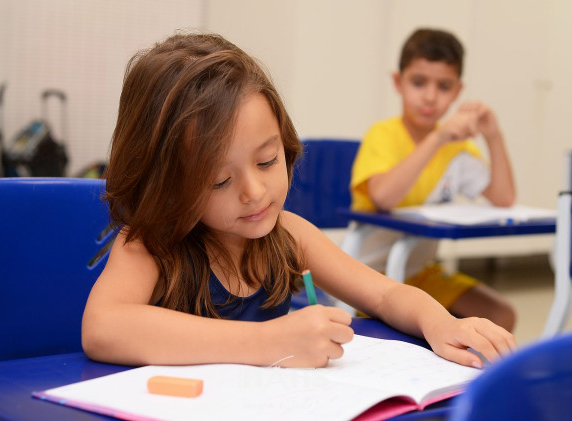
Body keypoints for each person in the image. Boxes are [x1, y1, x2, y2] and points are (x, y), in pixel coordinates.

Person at [81, 31, 515, 370]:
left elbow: (383, 295)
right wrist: (266, 342)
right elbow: (102, 328)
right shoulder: (151, 244)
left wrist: (440, 323)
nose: (255, 192)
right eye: (219, 181)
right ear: (168, 183)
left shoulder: (289, 235)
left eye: (267, 161)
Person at [349, 28, 517, 332]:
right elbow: (383, 197)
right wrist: (437, 139)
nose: (430, 96)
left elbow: (504, 198)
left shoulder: (457, 147)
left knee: (502, 316)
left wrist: (493, 135)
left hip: (420, 274)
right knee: (420, 328)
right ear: (398, 82)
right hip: (367, 276)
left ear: (457, 91)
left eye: (443, 86)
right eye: (418, 82)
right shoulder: (383, 135)